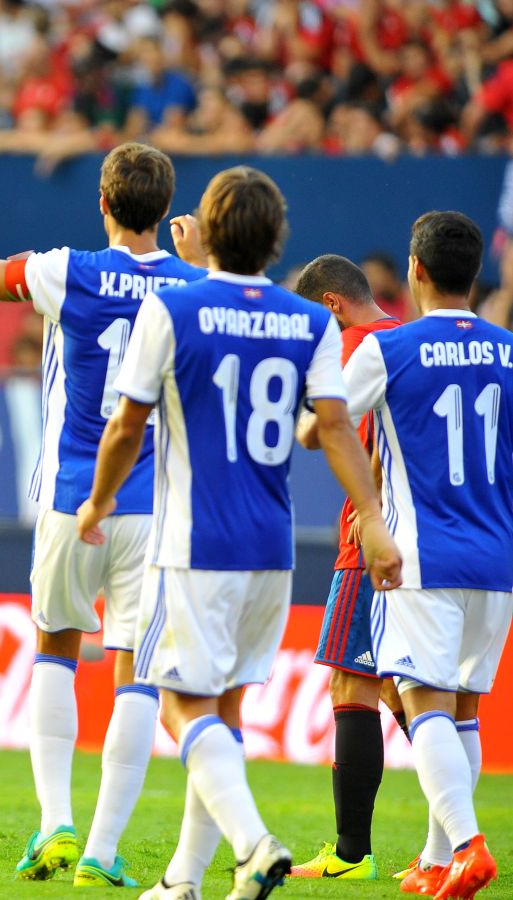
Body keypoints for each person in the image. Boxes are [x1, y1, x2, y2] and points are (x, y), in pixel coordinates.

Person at [76, 167, 402, 900]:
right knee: (222, 712)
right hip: (270, 546)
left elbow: (127, 424)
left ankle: (253, 844)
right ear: (275, 237)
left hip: (194, 542)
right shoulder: (312, 322)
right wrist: (374, 522)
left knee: (172, 700)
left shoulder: (172, 309)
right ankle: (182, 881)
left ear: (209, 232)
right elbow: (338, 428)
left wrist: (96, 503)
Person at [0, 142, 206, 886]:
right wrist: (204, 258)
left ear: (101, 203)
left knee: (54, 647)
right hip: (151, 506)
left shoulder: (68, 271)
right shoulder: (192, 287)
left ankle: (54, 818)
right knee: (136, 673)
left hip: (69, 494)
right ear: (165, 206)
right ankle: (99, 847)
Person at [341, 211, 510, 899]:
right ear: (472, 277)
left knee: (423, 701)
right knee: (462, 708)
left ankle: (466, 846)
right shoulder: (507, 350)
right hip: (496, 559)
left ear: (413, 271)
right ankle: (438, 857)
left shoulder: (389, 349)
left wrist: (370, 510)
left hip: (421, 555)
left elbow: (321, 423)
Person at [287, 254, 403, 882]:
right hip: (437, 543)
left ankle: (351, 853)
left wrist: (373, 498)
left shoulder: (358, 348)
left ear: (331, 305)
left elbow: (338, 431)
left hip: (370, 541)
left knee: (351, 684)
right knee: (406, 686)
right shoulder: (412, 337)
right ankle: (457, 835)